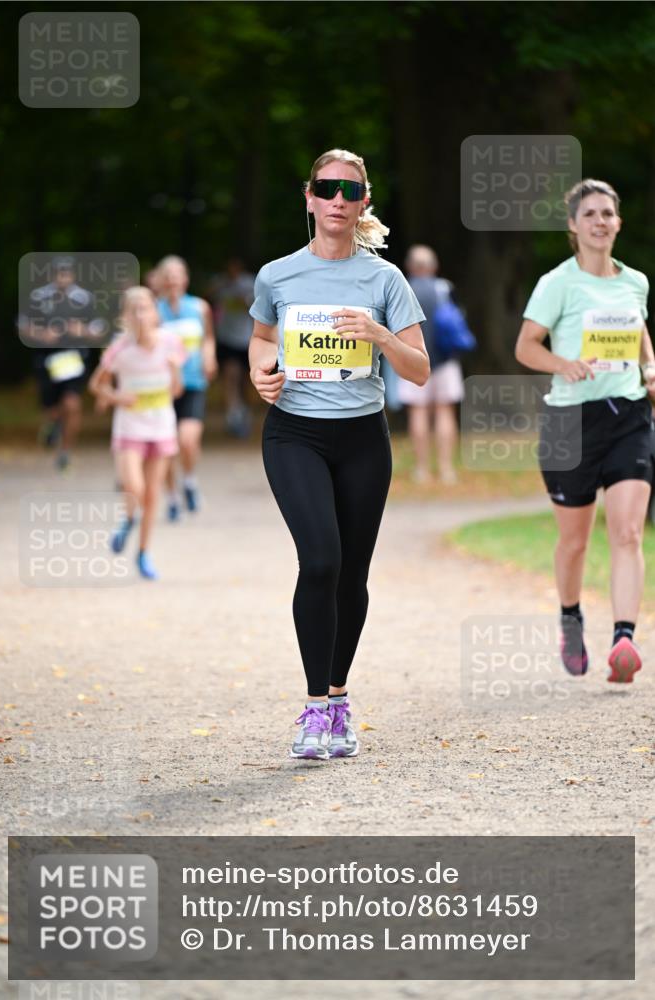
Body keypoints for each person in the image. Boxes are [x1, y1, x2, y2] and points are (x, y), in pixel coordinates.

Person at [249, 148, 429, 759]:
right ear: (309, 197)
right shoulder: (277, 275)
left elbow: (422, 370)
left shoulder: (385, 280)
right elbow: (260, 340)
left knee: (352, 572)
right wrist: (260, 376)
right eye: (326, 188)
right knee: (319, 559)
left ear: (363, 204)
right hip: (294, 432)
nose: (337, 199)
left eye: (349, 191)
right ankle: (313, 709)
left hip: (361, 439)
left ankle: (340, 696)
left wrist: (379, 335)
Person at [515, 178, 655, 684]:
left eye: (607, 214)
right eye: (590, 214)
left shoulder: (635, 281)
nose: (600, 221)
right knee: (574, 542)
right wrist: (565, 363)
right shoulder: (559, 282)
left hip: (630, 416)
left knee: (627, 531)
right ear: (573, 226)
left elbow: (639, 329)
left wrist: (650, 368)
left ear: (618, 222)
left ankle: (624, 637)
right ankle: (571, 617)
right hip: (568, 421)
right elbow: (526, 346)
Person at [89, 286, 185, 580]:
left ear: (155, 312)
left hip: (161, 426)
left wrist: (174, 371)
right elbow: (96, 386)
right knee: (134, 487)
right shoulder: (119, 348)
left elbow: (177, 391)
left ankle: (143, 553)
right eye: (134, 310)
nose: (141, 315)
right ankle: (127, 520)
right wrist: (118, 398)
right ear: (125, 317)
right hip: (130, 427)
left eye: (146, 308)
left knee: (152, 495)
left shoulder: (171, 343)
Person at [21, 256, 97, 472]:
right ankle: (53, 425)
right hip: (47, 359)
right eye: (59, 273)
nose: (63, 277)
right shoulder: (38, 298)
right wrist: (42, 335)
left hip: (73, 359)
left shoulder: (84, 299)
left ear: (73, 275)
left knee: (72, 404)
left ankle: (65, 451)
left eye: (67, 273)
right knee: (52, 409)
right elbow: (23, 326)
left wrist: (81, 331)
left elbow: (98, 328)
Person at [156, 256, 218, 518]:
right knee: (166, 446)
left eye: (177, 273)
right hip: (161, 387)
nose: (172, 279)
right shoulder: (153, 310)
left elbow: (208, 339)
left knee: (187, 440)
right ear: (161, 280)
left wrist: (209, 356)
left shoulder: (200, 307)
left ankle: (189, 481)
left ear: (185, 278)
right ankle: (171, 497)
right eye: (167, 274)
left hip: (193, 382)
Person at [397, 245, 465, 484]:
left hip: (413, 362)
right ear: (433, 266)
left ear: (410, 267)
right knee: (445, 411)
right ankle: (447, 470)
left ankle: (422, 470)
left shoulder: (404, 290)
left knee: (418, 413)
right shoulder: (444, 288)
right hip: (445, 360)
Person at [209, 257, 256, 438]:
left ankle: (244, 411)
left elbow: (257, 306)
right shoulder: (220, 283)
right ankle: (233, 413)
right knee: (230, 375)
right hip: (227, 338)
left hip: (247, 339)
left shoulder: (249, 283)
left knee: (245, 380)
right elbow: (208, 297)